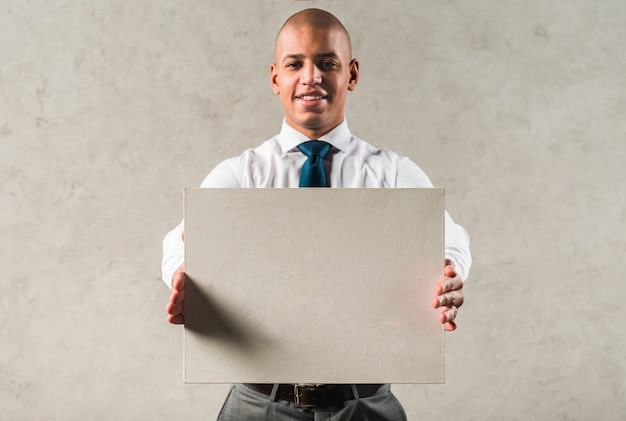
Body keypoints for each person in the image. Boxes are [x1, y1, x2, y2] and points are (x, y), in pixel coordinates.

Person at [162, 8, 471, 420]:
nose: (311, 77)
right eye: (295, 64)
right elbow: (181, 240)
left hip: (364, 404)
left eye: (328, 63)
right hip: (259, 405)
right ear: (275, 77)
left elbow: (447, 235)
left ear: (352, 74)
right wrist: (184, 274)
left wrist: (449, 270)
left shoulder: (392, 172)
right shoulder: (240, 174)